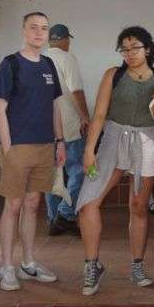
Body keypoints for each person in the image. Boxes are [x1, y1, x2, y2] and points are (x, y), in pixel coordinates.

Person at [77, 26, 154, 295]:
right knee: (89, 202)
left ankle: (137, 265)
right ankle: (92, 264)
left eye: (135, 47)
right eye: (124, 49)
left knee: (138, 206)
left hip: (147, 143)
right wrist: (89, 149)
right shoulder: (113, 75)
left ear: (147, 49)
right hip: (113, 139)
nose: (129, 53)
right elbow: (100, 114)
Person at [0, 12, 66, 291]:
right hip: (18, 146)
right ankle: (7, 267)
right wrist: (8, 147)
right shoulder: (10, 64)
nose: (39, 32)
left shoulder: (48, 64)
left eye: (44, 28)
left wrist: (60, 141)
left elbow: (55, 105)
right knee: (13, 205)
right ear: (23, 31)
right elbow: (0, 108)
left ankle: (28, 263)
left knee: (33, 204)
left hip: (44, 145)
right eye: (33, 27)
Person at [42, 24, 91, 237]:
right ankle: (65, 214)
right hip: (68, 125)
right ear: (63, 40)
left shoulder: (39, 59)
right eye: (68, 40)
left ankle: (54, 220)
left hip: (44, 127)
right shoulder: (66, 58)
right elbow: (76, 90)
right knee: (78, 171)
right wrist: (85, 117)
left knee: (53, 176)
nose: (69, 43)